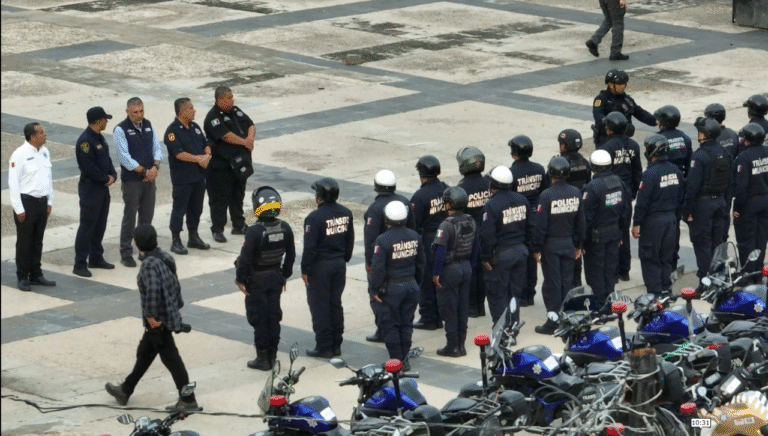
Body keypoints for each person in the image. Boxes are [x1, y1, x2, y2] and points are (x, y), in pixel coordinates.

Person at [105, 224, 199, 412]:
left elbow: (153, 291)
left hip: (158, 321)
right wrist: (176, 307)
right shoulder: (166, 257)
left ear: (136, 244)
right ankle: (125, 390)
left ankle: (188, 399)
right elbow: (175, 285)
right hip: (167, 316)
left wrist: (150, 315)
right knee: (145, 352)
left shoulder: (148, 265)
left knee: (172, 360)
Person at [236, 186, 295, 370]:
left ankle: (262, 358)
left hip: (257, 281)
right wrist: (284, 276)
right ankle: (272, 355)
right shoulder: (285, 228)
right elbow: (291, 256)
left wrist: (240, 279)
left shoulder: (254, 231)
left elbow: (245, 259)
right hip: (275, 278)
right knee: (273, 317)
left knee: (259, 318)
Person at [369, 201, 425, 371]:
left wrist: (374, 289)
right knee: (406, 323)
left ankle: (396, 360)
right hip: (411, 285)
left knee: (390, 324)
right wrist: (416, 282)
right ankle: (405, 358)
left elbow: (378, 268)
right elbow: (421, 263)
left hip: (392, 288)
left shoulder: (383, 240)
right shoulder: (415, 236)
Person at [302, 178, 355, 358]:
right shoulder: (346, 213)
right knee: (335, 304)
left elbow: (310, 247)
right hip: (339, 264)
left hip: (320, 267)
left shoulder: (314, 218)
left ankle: (324, 346)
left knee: (320, 306)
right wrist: (344, 258)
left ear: (320, 196)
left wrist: (305, 269)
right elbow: (350, 239)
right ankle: (336, 344)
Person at [533, 157, 585, 335]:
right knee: (566, 282)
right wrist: (579, 244)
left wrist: (537, 248)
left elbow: (540, 226)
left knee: (552, 284)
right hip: (568, 243)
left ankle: (553, 322)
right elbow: (581, 222)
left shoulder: (546, 195)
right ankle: (566, 318)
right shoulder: (576, 192)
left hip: (551, 245)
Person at [363, 170, 415, 343]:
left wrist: (369, 262)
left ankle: (383, 330)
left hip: (383, 258)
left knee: (378, 297)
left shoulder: (375, 208)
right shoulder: (404, 202)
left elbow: (370, 238)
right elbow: (413, 228)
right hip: (405, 255)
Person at [480, 166, 533, 325]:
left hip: (502, 256)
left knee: (498, 295)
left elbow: (487, 235)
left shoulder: (491, 205)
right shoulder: (522, 200)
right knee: (514, 293)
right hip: (520, 251)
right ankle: (513, 327)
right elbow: (531, 227)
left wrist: (486, 257)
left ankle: (501, 330)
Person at [632, 135, 685, 295]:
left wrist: (636, 223)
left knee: (650, 257)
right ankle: (666, 290)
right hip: (671, 220)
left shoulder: (650, 174)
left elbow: (642, 202)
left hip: (653, 222)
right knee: (666, 256)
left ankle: (655, 293)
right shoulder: (676, 170)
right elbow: (681, 197)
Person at [114, 97, 163, 267]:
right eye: (135, 112)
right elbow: (124, 157)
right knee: (130, 217)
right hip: (132, 181)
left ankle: (145, 250)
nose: (139, 115)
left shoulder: (148, 125)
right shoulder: (121, 130)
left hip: (149, 180)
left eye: (141, 111)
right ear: (127, 112)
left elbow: (157, 147)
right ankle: (126, 252)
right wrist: (144, 171)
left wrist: (155, 167)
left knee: (146, 217)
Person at [684, 117, 732, 289]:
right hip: (720, 203)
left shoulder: (700, 156)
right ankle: (718, 279)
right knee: (717, 243)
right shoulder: (725, 153)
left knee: (702, 244)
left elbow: (692, 186)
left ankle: (706, 282)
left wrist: (687, 210)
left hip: (703, 206)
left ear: (704, 134)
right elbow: (730, 182)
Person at [204, 86, 255, 243]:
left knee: (238, 196)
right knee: (219, 200)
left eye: (232, 97)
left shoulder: (236, 111)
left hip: (239, 165)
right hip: (221, 167)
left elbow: (251, 125)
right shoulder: (213, 117)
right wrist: (245, 142)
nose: (232, 100)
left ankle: (239, 225)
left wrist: (250, 139)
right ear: (219, 99)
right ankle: (217, 229)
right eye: (229, 98)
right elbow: (225, 136)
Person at [432, 187, 479, 357]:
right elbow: (476, 247)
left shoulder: (446, 225)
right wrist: (470, 266)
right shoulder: (471, 221)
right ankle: (461, 345)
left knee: (449, 308)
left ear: (449, 204)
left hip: (450, 270)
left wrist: (436, 273)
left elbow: (440, 251)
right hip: (466, 267)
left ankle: (452, 346)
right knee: (462, 307)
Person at [9, 123, 56, 291]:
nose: (45, 134)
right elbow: (13, 183)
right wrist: (18, 208)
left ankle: (36, 274)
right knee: (24, 242)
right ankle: (22, 276)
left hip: (42, 202)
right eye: (41, 132)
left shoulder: (44, 152)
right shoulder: (19, 154)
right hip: (27, 203)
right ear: (32, 137)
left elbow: (48, 178)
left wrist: (49, 201)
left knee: (37, 241)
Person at [582, 150, 630, 308]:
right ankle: (610, 302)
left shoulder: (592, 187)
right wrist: (621, 233)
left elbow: (586, 218)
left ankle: (600, 306)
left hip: (596, 237)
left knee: (595, 271)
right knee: (610, 269)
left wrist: (581, 241)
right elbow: (625, 211)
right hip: (614, 233)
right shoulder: (619, 182)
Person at [597, 111, 642, 281]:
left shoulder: (606, 148)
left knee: (612, 232)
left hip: (611, 193)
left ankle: (614, 271)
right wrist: (633, 193)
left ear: (609, 129)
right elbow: (637, 172)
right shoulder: (634, 145)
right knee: (624, 233)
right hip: (627, 193)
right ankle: (625, 270)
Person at [164, 98, 211, 255]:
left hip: (199, 176)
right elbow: (178, 154)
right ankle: (176, 239)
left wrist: (207, 155)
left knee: (196, 208)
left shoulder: (195, 127)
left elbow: (205, 144)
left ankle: (193, 236)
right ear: (181, 111)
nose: (194, 110)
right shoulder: (172, 131)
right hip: (183, 179)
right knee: (179, 209)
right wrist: (198, 159)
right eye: (190, 108)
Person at [73, 107, 117, 277]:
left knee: (100, 224)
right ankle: (80, 263)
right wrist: (105, 178)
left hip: (102, 188)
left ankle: (96, 257)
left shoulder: (99, 138)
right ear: (98, 121)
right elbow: (88, 167)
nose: (107, 122)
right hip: (91, 189)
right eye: (105, 119)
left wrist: (113, 175)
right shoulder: (85, 142)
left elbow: (107, 159)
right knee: (87, 226)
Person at [509, 135, 549, 307]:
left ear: (514, 153)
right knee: (532, 256)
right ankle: (529, 294)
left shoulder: (511, 173)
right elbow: (545, 192)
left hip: (519, 219)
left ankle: (521, 294)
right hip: (537, 217)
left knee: (521, 257)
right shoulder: (539, 169)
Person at [411, 156, 448, 330]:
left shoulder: (419, 196)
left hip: (428, 240)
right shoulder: (446, 189)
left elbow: (414, 224)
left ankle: (428, 318)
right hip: (446, 236)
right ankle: (440, 314)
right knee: (441, 277)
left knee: (426, 279)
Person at [456, 147, 490, 318]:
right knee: (483, 272)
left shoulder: (461, 188)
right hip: (487, 232)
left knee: (471, 271)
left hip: (469, 235)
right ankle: (480, 306)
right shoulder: (489, 182)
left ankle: (472, 307)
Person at [731, 123, 768, 281]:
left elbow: (741, 187)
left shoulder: (744, 157)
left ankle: (747, 274)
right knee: (761, 239)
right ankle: (758, 273)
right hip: (765, 200)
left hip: (749, 203)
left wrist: (737, 207)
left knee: (746, 240)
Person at [558, 129, 591, 287]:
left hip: (564, 212)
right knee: (578, 250)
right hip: (581, 210)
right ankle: (577, 283)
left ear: (565, 146)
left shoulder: (560, 164)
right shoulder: (585, 163)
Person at [704, 103, 740, 242]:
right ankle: (723, 238)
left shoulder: (713, 137)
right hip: (730, 180)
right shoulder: (732, 134)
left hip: (716, 182)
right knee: (725, 211)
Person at [592, 69, 656, 146]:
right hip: (606, 140)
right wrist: (611, 125)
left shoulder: (627, 100)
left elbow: (641, 113)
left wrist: (656, 121)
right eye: (619, 84)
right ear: (610, 84)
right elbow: (598, 115)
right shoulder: (601, 99)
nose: (622, 86)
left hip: (624, 140)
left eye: (624, 83)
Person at [655, 105, 692, 177]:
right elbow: (689, 164)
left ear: (662, 122)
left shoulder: (657, 139)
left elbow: (653, 165)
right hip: (681, 177)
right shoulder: (685, 137)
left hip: (664, 178)